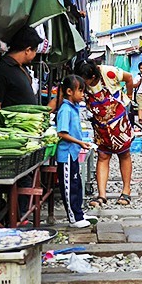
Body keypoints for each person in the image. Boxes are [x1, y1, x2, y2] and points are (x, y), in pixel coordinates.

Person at [76, 61, 135, 208]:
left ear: (94, 76)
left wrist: (128, 96)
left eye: (86, 80)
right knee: (103, 156)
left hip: (119, 122)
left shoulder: (109, 73)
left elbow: (129, 78)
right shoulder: (81, 82)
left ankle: (126, 191)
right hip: (100, 125)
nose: (83, 84)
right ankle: (102, 195)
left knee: (124, 154)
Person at [55, 75, 96, 228]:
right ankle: (74, 218)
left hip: (73, 153)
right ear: (69, 92)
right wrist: (80, 142)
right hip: (66, 155)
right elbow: (62, 133)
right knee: (69, 187)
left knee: (76, 184)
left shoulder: (73, 108)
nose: (83, 94)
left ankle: (79, 213)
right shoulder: (65, 110)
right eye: (80, 91)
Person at [0, 26, 42, 109]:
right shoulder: (3, 68)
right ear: (28, 50)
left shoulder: (21, 67)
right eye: (35, 51)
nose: (35, 55)